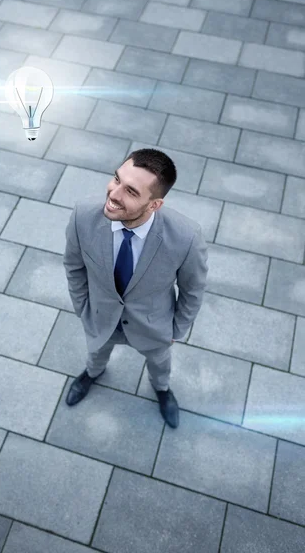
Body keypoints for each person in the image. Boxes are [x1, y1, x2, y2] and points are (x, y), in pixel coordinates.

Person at [62, 148, 208, 429]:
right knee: (96, 353)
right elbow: (73, 265)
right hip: (101, 317)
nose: (114, 194)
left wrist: (177, 330)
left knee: (159, 364)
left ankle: (162, 390)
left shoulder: (187, 237)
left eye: (131, 191)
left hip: (154, 326)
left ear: (154, 205)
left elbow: (193, 289)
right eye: (116, 179)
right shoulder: (83, 215)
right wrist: (83, 308)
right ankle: (92, 374)